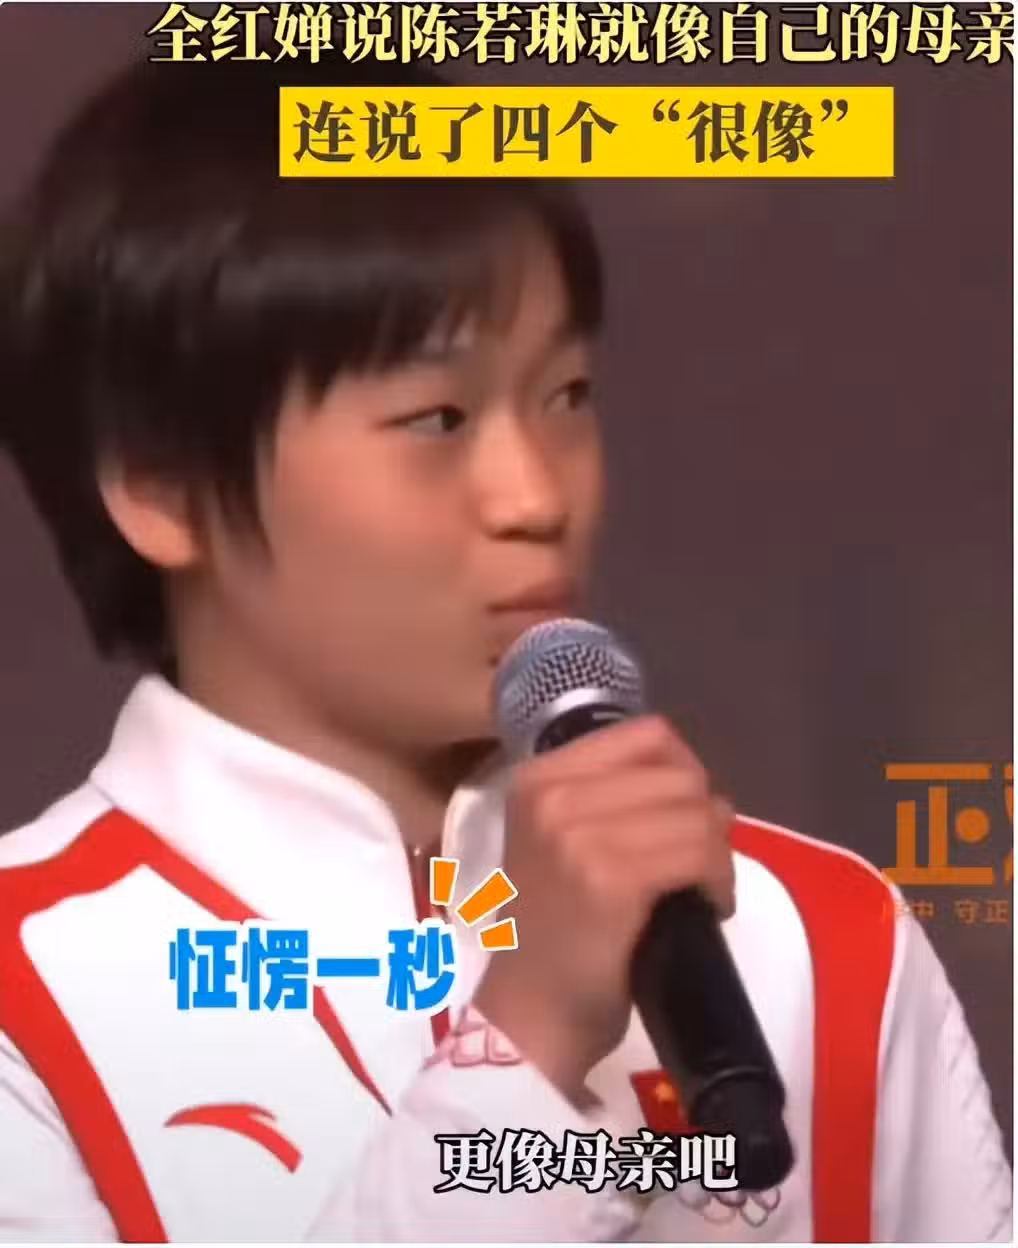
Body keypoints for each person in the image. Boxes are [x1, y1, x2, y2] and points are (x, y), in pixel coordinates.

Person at [0, 52, 1009, 1245]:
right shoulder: (28, 996)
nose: (536, 495)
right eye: (436, 418)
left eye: (565, 395)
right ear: (158, 483)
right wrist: (524, 1040)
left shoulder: (822, 937)